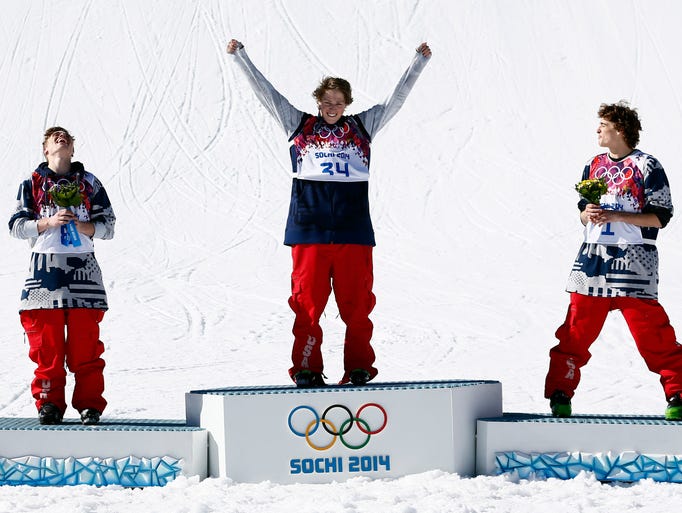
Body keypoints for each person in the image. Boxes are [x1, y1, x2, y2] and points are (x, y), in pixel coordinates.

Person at [227, 39, 431, 387]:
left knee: (357, 307)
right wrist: (241, 57)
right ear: (318, 102)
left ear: (347, 104)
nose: (332, 107)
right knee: (307, 307)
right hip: (309, 232)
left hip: (353, 233)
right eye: (326, 101)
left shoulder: (362, 128)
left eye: (338, 102)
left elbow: (395, 100)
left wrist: (418, 63)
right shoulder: (300, 126)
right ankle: (306, 367)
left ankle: (358, 368)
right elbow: (268, 95)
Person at [544, 102, 682, 420]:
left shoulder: (648, 166)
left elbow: (660, 218)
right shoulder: (593, 165)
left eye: (603, 124)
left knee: (652, 334)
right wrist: (587, 214)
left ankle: (677, 393)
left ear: (619, 129)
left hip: (634, 262)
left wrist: (617, 215)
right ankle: (560, 394)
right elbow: (583, 212)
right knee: (575, 332)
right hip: (592, 261)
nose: (597, 130)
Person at [9, 127, 116, 425]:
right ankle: (49, 403)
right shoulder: (31, 184)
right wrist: (47, 222)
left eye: (66, 136)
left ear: (72, 149)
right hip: (43, 277)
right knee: (47, 350)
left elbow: (109, 225)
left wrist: (85, 228)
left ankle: (89, 405)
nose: (61, 138)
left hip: (84, 275)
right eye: (54, 136)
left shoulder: (90, 183)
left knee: (86, 349)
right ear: (45, 149)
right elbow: (16, 225)